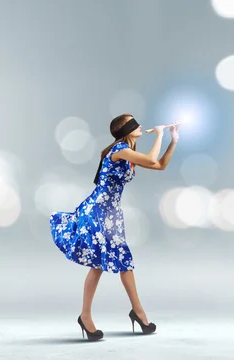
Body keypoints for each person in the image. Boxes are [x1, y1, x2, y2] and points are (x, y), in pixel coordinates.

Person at [49, 113, 179, 340]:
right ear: (125, 131)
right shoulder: (120, 150)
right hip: (98, 212)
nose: (139, 125)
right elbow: (150, 159)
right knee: (102, 264)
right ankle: (90, 316)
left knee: (120, 262)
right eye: (133, 123)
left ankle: (135, 313)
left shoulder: (128, 155)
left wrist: (173, 140)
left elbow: (160, 165)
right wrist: (159, 135)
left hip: (111, 215)